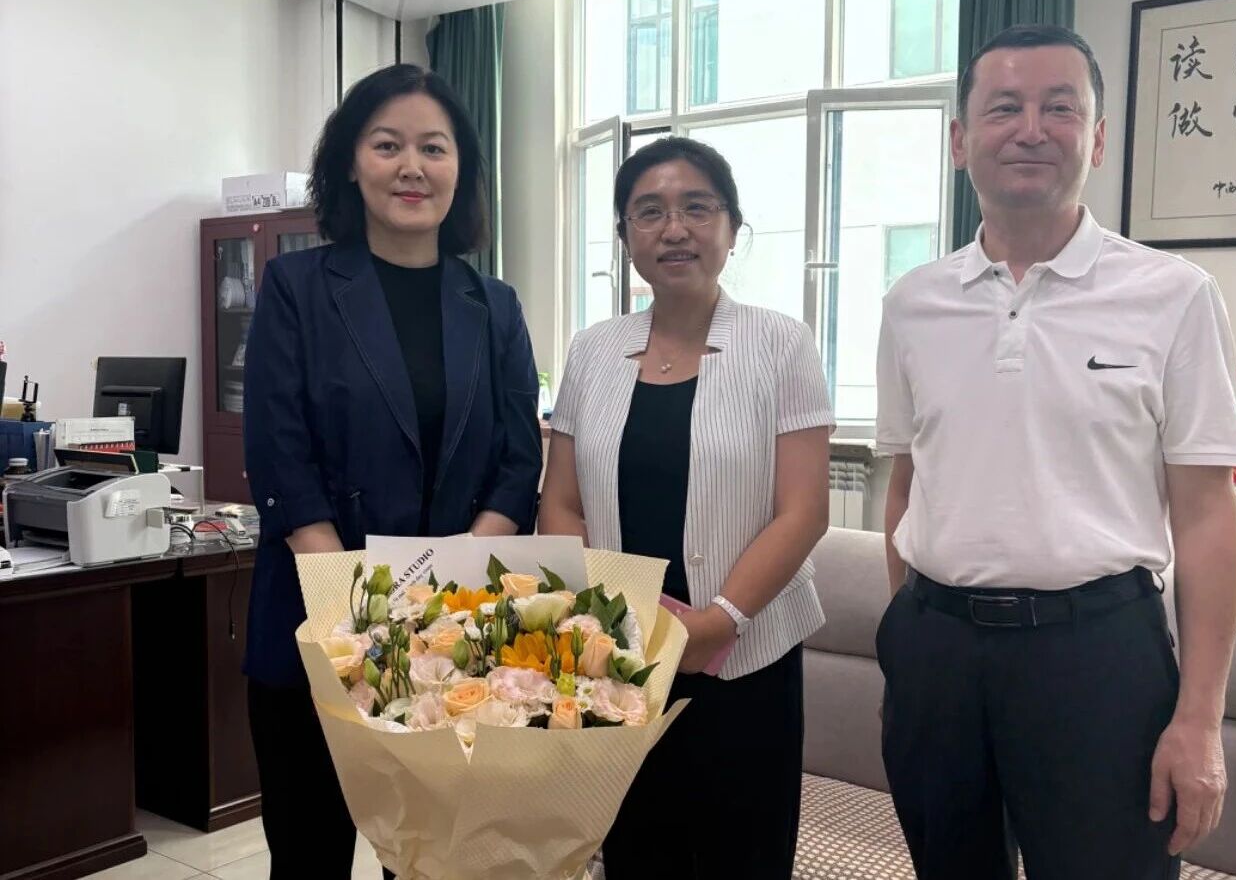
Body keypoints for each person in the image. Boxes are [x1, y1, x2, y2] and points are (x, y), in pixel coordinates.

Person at [875, 24, 1236, 880]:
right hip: (937, 651)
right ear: (961, 140)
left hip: (1098, 654)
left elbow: (1204, 515)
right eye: (1004, 107)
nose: (1031, 129)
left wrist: (1200, 719)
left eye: (1060, 108)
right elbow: (906, 481)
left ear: (1098, 138)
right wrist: (907, 643)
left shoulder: (1173, 295)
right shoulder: (913, 302)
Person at [242, 64, 542, 878]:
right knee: (308, 854)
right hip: (315, 623)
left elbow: (520, 459)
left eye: (433, 148)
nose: (412, 167)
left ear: (461, 169)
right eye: (388, 145)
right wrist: (358, 610)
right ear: (350, 162)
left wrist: (449, 586)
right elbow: (279, 452)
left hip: (454, 632)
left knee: (435, 859)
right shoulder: (296, 287)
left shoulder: (496, 306)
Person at [538, 137, 833, 878]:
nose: (675, 229)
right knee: (637, 852)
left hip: (747, 660)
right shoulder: (593, 350)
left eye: (697, 208)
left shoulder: (781, 344)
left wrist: (718, 622)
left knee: (744, 858)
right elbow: (562, 502)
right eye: (650, 212)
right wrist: (601, 622)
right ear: (625, 236)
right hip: (623, 660)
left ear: (731, 227)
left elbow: (803, 511)